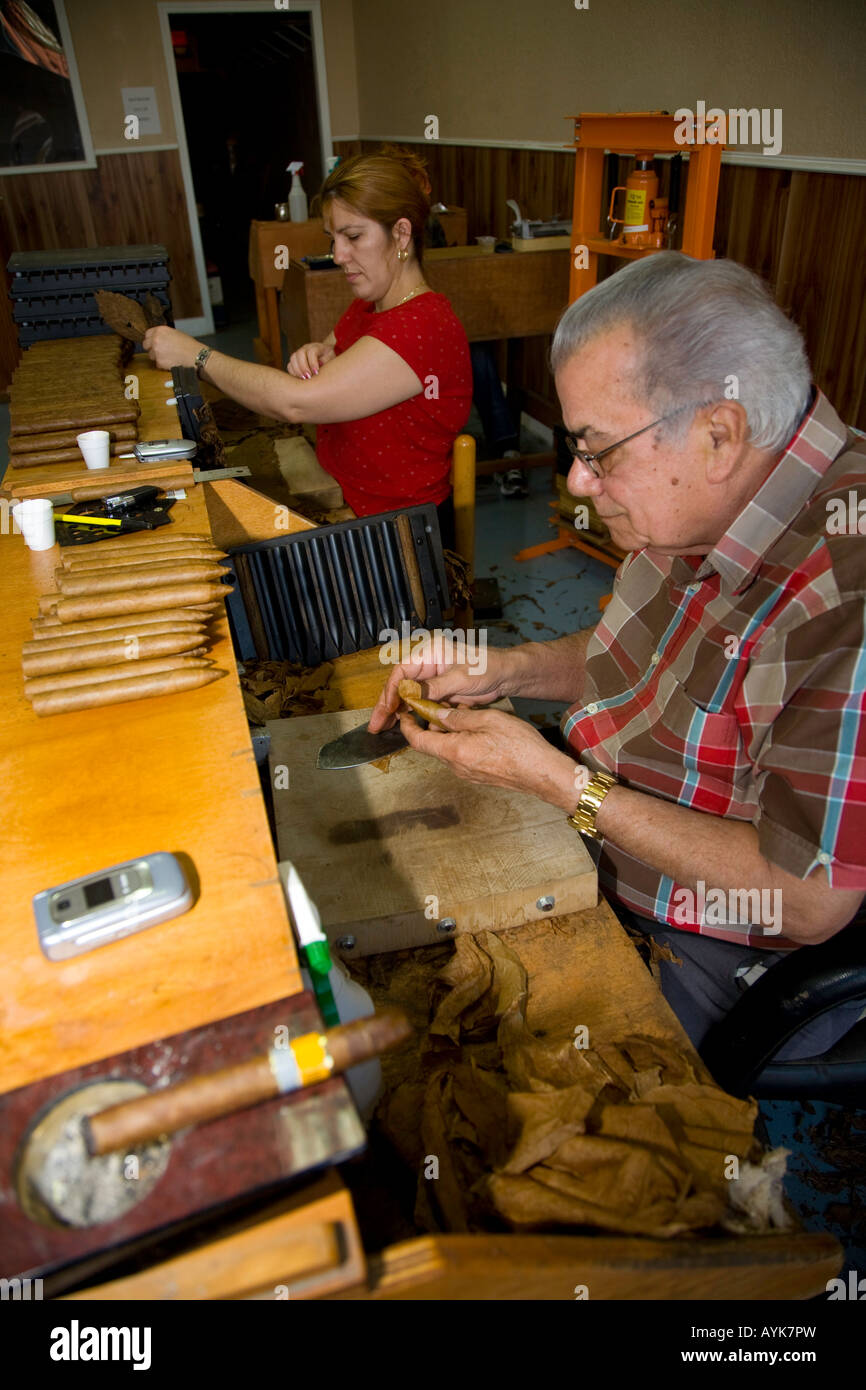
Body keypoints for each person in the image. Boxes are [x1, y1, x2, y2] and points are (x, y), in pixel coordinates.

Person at [369, 251, 866, 1061]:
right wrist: (510, 669)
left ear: (718, 432)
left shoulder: (845, 595)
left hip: (727, 938)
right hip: (601, 813)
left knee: (471, 1070)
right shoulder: (695, 494)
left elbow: (805, 900)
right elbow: (631, 659)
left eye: (598, 451)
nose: (575, 482)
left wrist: (560, 784)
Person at [143, 147, 472, 548]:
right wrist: (318, 350)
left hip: (398, 534)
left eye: (353, 236)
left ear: (401, 234)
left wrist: (197, 356)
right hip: (348, 496)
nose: (338, 255)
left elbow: (295, 402)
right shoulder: (372, 304)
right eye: (333, 238)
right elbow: (338, 351)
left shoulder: (424, 326)